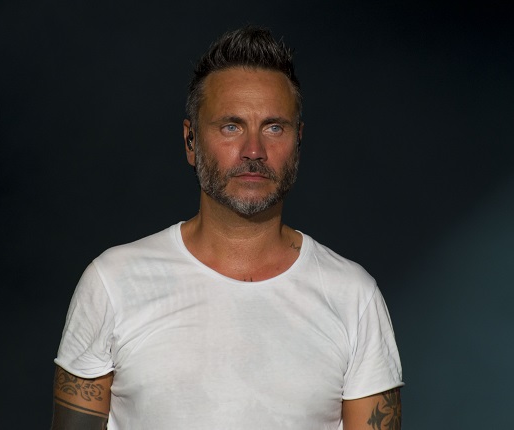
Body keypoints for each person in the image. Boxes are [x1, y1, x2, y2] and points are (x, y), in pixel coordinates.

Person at [51, 25, 403, 430]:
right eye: (231, 126)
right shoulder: (113, 283)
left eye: (274, 127)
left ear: (298, 142)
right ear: (191, 141)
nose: (254, 150)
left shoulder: (352, 297)